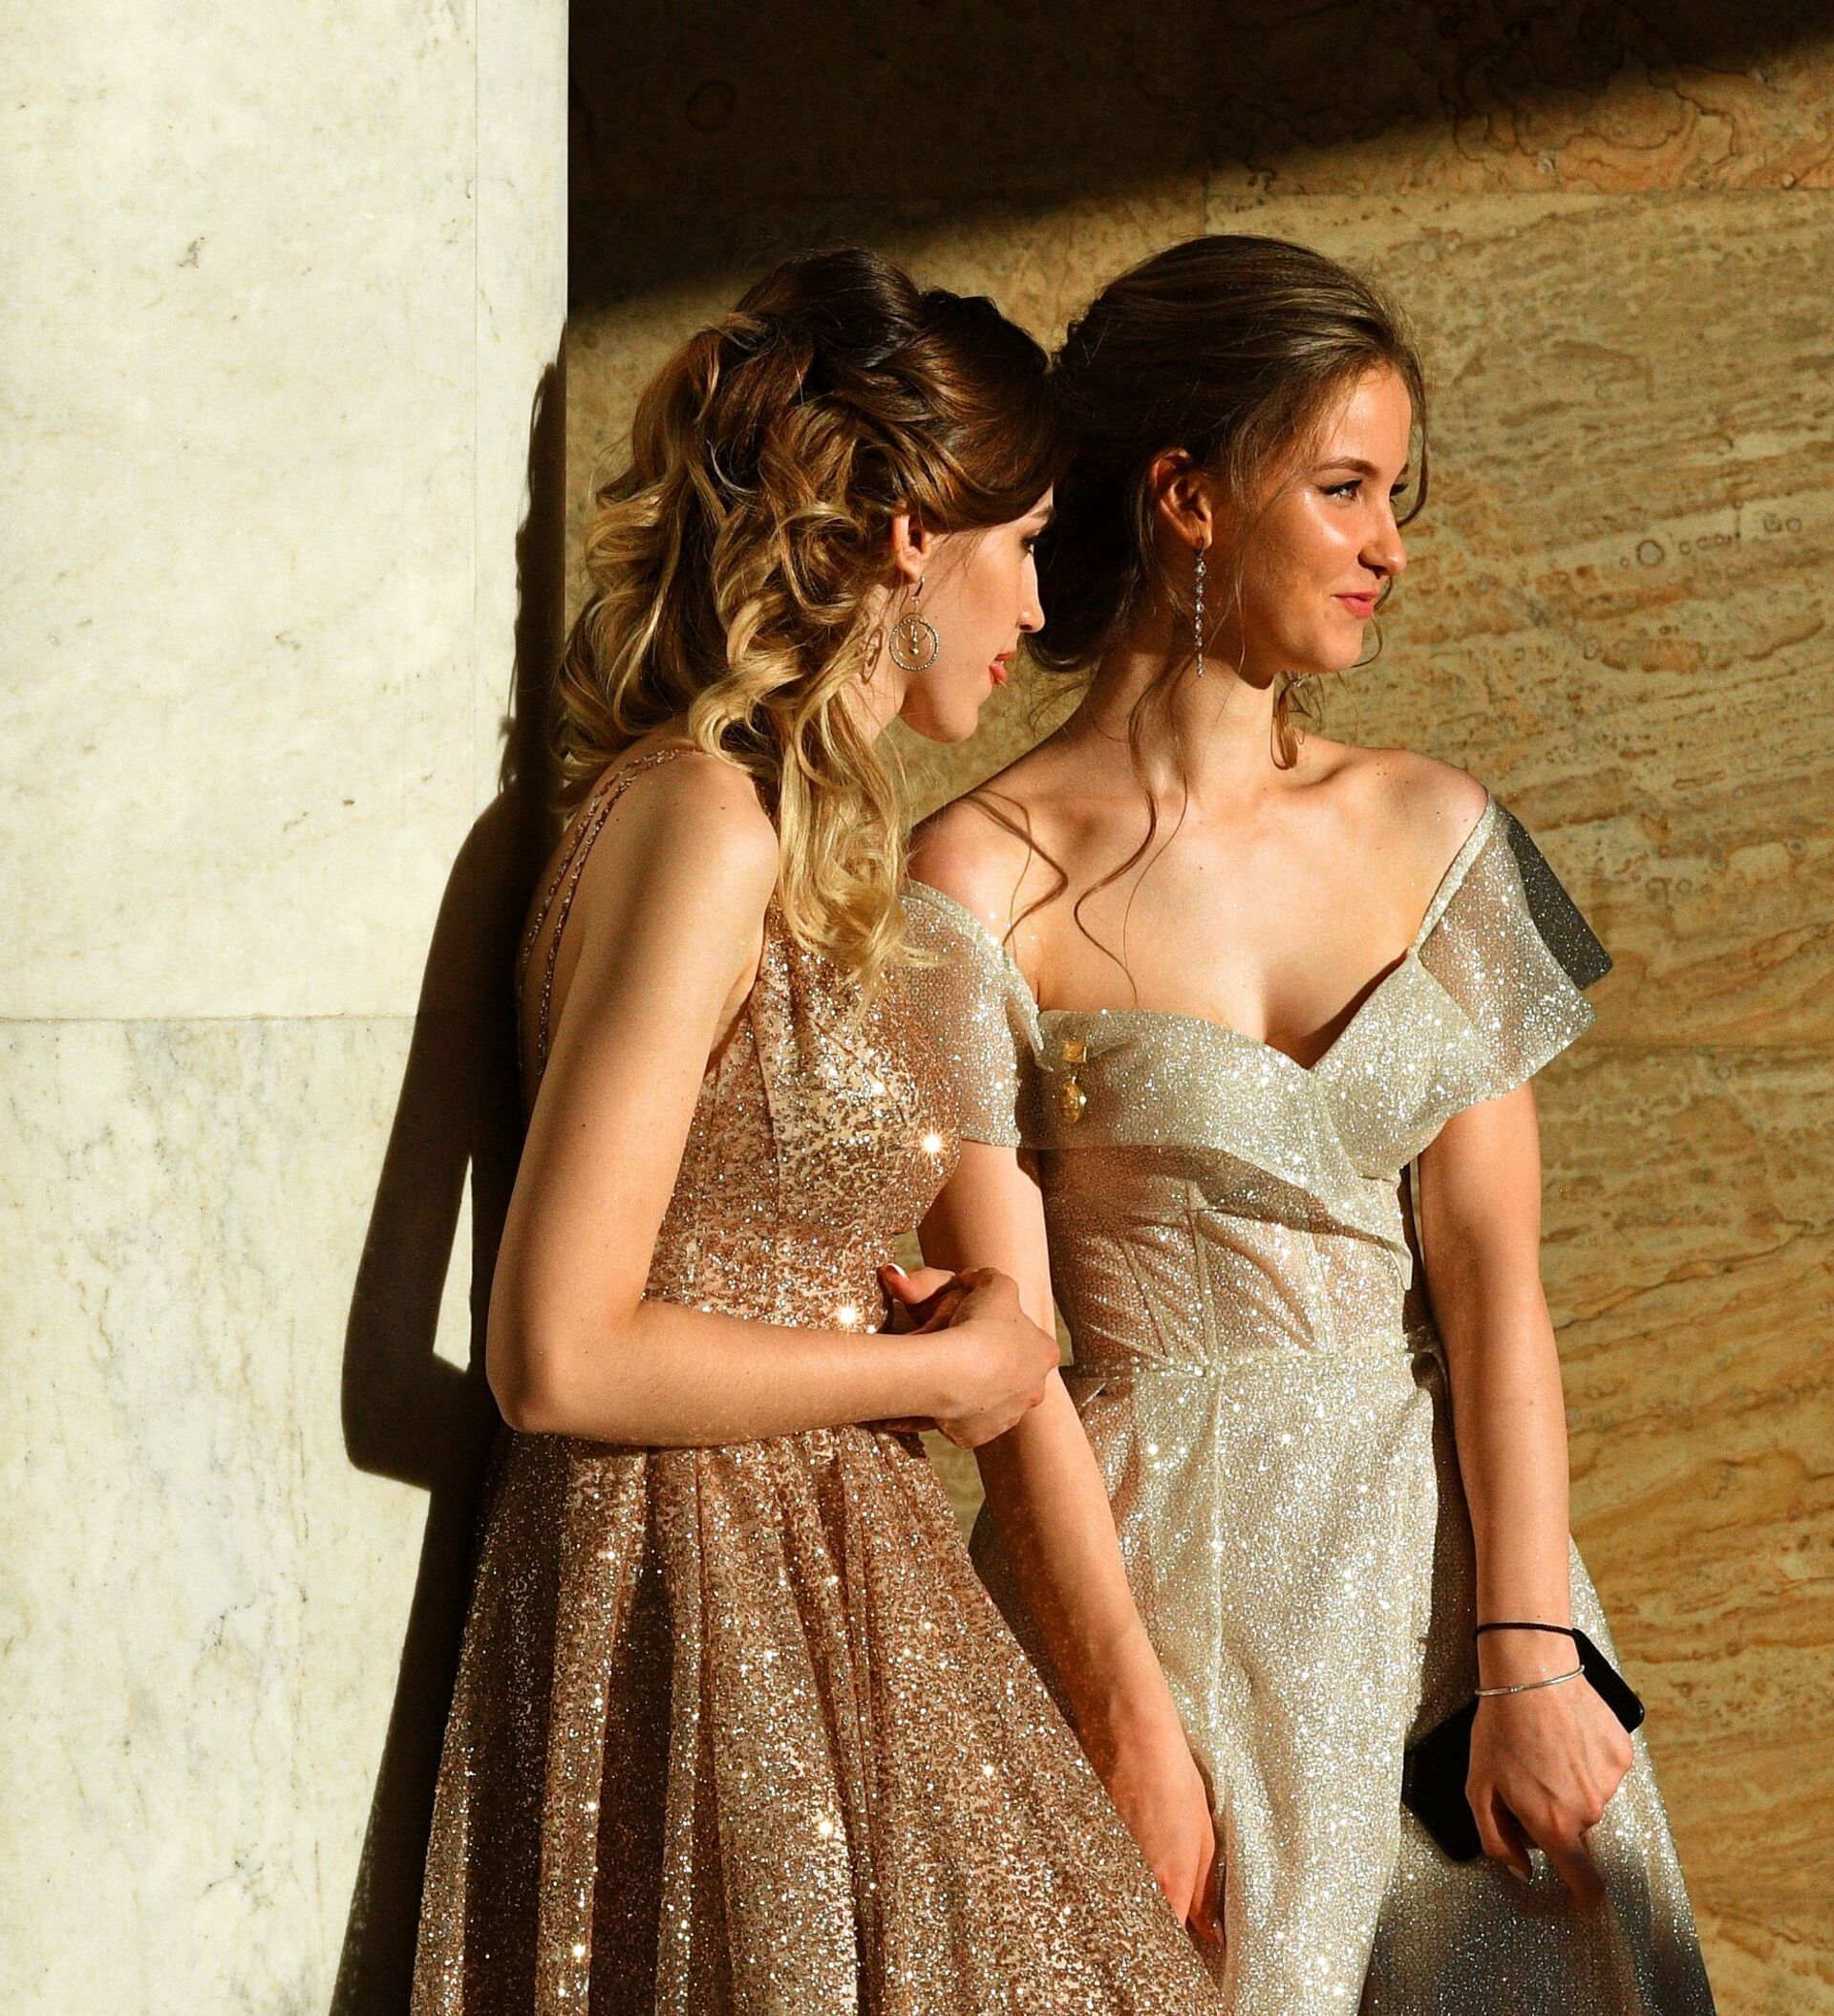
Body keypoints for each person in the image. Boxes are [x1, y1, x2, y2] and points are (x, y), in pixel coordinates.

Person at [902, 235, 1715, 2013]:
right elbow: (1008, 1358)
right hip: (1151, 1581)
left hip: (1445, 1593)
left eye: (1392, 496)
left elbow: (1495, 1280)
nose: (1387, 547)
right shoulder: (972, 878)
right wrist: (1123, 1719)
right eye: (1341, 488)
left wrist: (1529, 1651)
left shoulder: (1443, 828)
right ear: (1188, 495)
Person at [409, 247, 1222, 2015]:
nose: (1039, 608)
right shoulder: (701, 823)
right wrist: (935, 1372)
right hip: (698, 1599)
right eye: (1025, 543)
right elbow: (555, 1348)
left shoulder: (789, 842)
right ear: (911, 536)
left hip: (806, 1586)